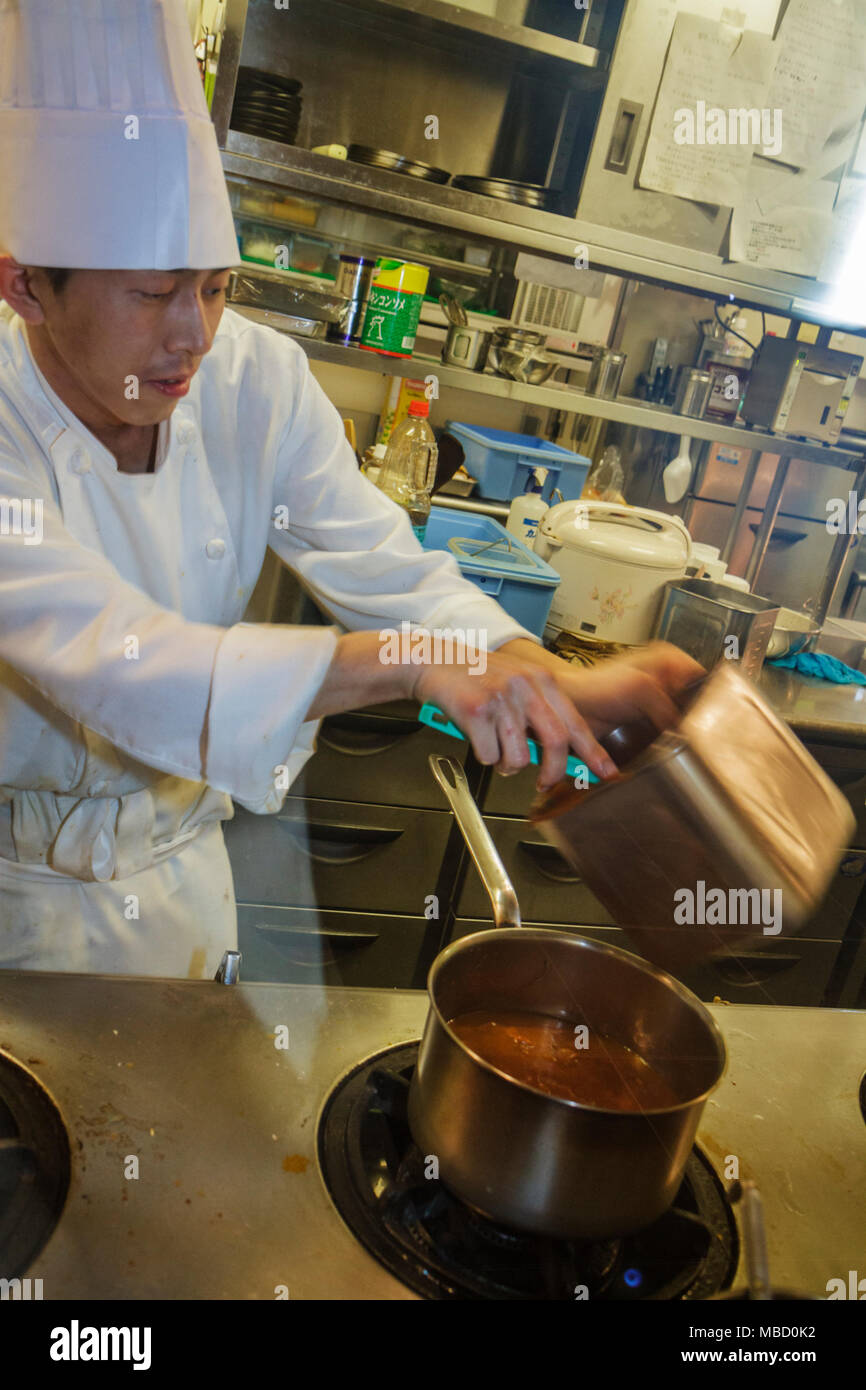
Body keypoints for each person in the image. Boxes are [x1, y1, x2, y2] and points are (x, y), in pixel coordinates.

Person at [0, 0, 702, 977]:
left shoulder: (252, 380)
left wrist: (527, 670)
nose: (194, 336)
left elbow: (381, 561)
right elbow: (125, 662)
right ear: (27, 285)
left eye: (217, 286)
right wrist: (415, 662)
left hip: (181, 898)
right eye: (154, 293)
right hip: (17, 915)